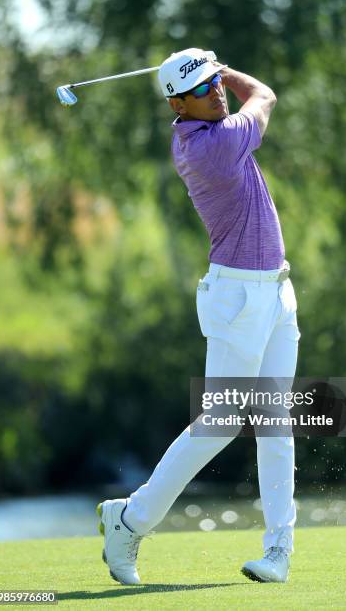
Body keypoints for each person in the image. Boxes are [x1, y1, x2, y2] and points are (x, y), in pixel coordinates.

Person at [97, 47, 300, 585]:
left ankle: (278, 550)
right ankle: (130, 519)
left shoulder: (211, 128)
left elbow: (241, 98)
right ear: (178, 105)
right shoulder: (214, 145)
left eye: (215, 83)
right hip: (237, 298)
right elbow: (265, 94)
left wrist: (208, 68)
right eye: (204, 87)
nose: (215, 91)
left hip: (276, 291)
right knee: (221, 424)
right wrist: (230, 68)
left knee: (276, 423)